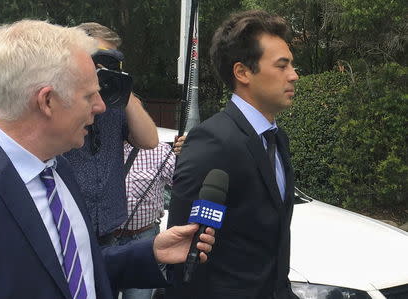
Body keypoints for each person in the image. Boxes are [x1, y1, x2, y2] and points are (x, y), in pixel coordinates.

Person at [0, 19, 215, 299]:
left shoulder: (59, 172)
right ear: (47, 101)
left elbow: (78, 269)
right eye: (89, 95)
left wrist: (152, 253)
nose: (101, 106)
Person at [166, 10, 299, 299]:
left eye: (291, 65)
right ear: (243, 72)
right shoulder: (214, 141)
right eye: (282, 65)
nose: (293, 75)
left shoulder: (277, 138)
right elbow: (184, 257)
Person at [63, 22, 159, 247]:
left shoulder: (117, 104)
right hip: (68, 222)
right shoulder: (62, 101)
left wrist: (123, 88)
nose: (105, 66)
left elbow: (149, 140)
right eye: (99, 58)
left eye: (113, 61)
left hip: (107, 224)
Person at [111, 141, 175, 299]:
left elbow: (184, 181)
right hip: (106, 239)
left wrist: (189, 155)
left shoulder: (160, 151)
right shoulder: (101, 148)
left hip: (144, 239)